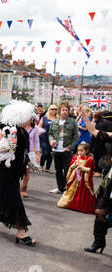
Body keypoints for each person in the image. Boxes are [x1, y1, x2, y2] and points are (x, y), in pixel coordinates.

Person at [0, 101, 37, 246]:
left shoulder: (23, 131)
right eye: (27, 116)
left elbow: (23, 152)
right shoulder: (4, 129)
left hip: (16, 171)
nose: (29, 119)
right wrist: (6, 148)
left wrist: (31, 164)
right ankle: (21, 231)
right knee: (14, 198)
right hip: (5, 171)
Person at [78, 106, 112, 253]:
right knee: (99, 211)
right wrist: (85, 116)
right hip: (110, 179)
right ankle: (98, 242)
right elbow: (93, 132)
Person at [48, 102, 80, 194]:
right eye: (63, 110)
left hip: (67, 149)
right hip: (56, 149)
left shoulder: (72, 122)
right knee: (58, 170)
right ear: (59, 111)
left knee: (67, 170)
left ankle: (67, 188)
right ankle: (60, 188)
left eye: (67, 110)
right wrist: (51, 141)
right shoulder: (54, 122)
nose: (65, 112)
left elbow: (76, 136)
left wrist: (71, 147)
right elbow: (50, 134)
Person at [57, 142, 96, 214]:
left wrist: (83, 168)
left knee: (84, 191)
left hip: (84, 179)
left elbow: (91, 170)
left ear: (86, 151)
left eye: (82, 151)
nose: (80, 152)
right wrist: (73, 166)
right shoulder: (75, 158)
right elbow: (71, 167)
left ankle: (83, 207)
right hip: (75, 178)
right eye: (78, 150)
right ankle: (73, 205)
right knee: (74, 190)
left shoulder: (89, 159)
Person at [20, 118, 40, 198]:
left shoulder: (35, 129)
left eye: (31, 118)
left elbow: (36, 141)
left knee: (27, 172)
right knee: (16, 170)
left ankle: (23, 190)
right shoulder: (19, 127)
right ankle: (13, 188)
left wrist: (38, 154)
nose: (29, 119)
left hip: (30, 152)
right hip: (19, 151)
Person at [38, 104, 57, 173]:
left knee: (51, 153)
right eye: (52, 109)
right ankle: (41, 165)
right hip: (44, 138)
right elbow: (39, 127)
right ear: (49, 110)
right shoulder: (44, 118)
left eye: (55, 109)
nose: (54, 110)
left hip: (53, 138)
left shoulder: (58, 119)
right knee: (45, 152)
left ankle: (48, 168)